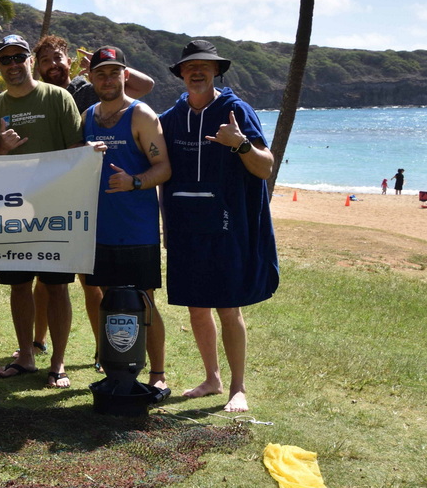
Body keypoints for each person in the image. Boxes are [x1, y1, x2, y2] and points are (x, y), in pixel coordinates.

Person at [159, 40, 279, 414]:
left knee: (228, 308)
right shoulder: (170, 118)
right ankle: (212, 378)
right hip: (184, 225)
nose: (197, 72)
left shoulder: (235, 110)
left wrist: (240, 144)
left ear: (215, 72)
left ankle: (238, 388)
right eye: (190, 66)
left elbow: (265, 166)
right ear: (180, 73)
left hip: (227, 225)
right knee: (197, 308)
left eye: (205, 67)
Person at [32, 34, 155, 367]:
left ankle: (103, 349)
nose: (53, 65)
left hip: (89, 201)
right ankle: (37, 341)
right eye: (45, 61)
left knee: (91, 282)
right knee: (45, 279)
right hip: (52, 197)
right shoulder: (38, 97)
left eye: (58, 58)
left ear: (68, 60)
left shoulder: (87, 90)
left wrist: (98, 68)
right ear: (38, 67)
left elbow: (145, 86)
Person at [0, 34, 84, 389]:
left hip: (56, 209)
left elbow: (76, 153)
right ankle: (25, 356)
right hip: (12, 211)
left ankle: (58, 363)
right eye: (5, 59)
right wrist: (0, 148)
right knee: (19, 285)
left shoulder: (58, 98)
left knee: (56, 287)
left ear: (30, 60)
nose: (12, 64)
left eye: (18, 57)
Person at [81, 46, 171, 391]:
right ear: (91, 78)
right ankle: (116, 369)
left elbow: (163, 167)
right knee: (109, 300)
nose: (107, 79)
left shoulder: (141, 115)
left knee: (143, 300)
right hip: (100, 229)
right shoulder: (88, 116)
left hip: (137, 229)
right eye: (101, 73)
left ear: (125, 76)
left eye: (114, 72)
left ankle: (157, 375)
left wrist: (134, 181)